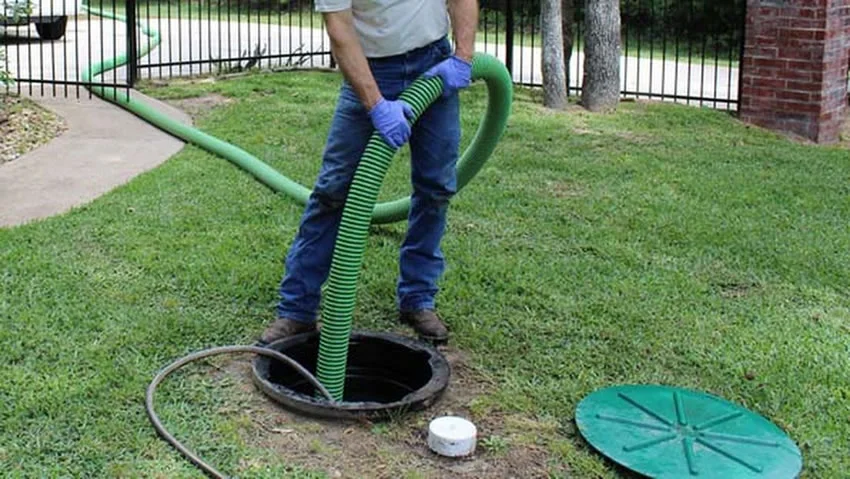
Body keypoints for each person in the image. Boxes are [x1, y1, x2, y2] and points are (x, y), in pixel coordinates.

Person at [257, 0, 479, 346]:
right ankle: (297, 311)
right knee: (333, 192)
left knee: (435, 187)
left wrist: (462, 58)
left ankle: (418, 299)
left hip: (434, 62)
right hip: (370, 68)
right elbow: (340, 30)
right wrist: (375, 105)